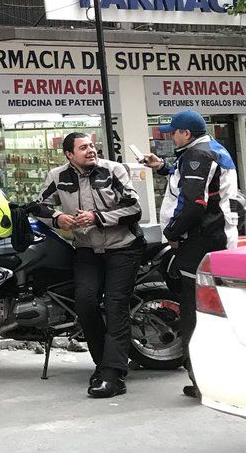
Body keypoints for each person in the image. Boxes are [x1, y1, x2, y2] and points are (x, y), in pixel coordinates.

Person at [31, 132, 143, 398]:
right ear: (69, 155)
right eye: (83, 148)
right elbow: (39, 206)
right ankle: (103, 364)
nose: (90, 150)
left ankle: (113, 375)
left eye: (92, 146)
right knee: (84, 302)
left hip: (122, 248)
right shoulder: (58, 176)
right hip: (87, 250)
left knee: (116, 304)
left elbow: (134, 208)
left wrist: (98, 217)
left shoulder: (113, 170)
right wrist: (59, 219)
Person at [141, 110, 231, 400]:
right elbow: (194, 181)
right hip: (211, 239)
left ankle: (204, 380)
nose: (170, 135)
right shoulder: (205, 150)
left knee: (197, 310)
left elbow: (194, 203)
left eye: (174, 131)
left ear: (186, 134)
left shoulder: (198, 156)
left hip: (200, 242)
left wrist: (173, 233)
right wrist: (164, 167)